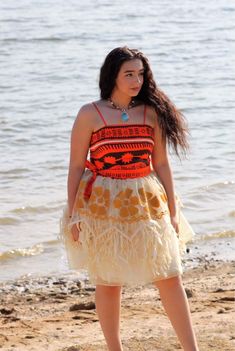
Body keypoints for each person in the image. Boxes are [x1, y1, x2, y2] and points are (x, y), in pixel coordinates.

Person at [59, 46, 199, 351]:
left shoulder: (151, 113)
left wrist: (174, 211)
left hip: (147, 201)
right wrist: (73, 214)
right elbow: (75, 166)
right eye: (129, 74)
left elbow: (161, 163)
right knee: (108, 281)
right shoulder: (90, 114)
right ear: (113, 76)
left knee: (169, 274)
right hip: (102, 205)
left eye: (141, 74)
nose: (137, 80)